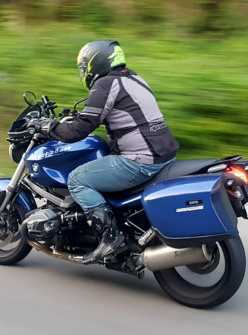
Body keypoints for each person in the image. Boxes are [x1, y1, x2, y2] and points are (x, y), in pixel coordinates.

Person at [30, 40, 179, 264]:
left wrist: (48, 127)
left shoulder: (105, 84)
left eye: (84, 68)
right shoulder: (134, 78)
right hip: (163, 154)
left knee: (78, 179)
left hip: (140, 160)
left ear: (94, 63)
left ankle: (112, 238)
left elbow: (80, 129)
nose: (84, 73)